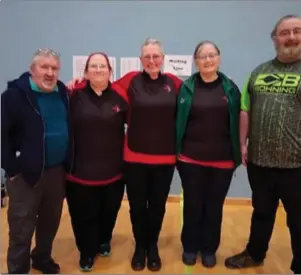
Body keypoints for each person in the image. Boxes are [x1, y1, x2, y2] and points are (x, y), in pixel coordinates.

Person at [224, 15, 301, 274]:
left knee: (300, 221)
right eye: (284, 32)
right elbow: (245, 110)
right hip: (260, 162)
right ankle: (254, 254)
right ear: (275, 38)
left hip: (299, 166)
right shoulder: (260, 72)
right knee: (261, 212)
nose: (290, 37)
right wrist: (243, 145)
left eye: (296, 31)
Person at [67, 38, 182, 272]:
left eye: (156, 56)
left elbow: (192, 101)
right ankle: (140, 247)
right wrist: (75, 85)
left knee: (158, 206)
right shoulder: (129, 81)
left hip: (165, 160)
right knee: (137, 207)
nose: (152, 60)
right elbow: (101, 86)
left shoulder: (176, 83)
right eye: (147, 56)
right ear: (141, 60)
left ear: (163, 58)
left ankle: (152, 246)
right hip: (134, 159)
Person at [1, 48, 69, 274]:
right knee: (21, 227)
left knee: (50, 222)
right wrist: (11, 168)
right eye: (44, 67)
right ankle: (18, 269)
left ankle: (41, 257)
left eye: (54, 68)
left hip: (56, 172)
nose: (50, 73)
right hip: (25, 176)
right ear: (32, 70)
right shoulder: (13, 97)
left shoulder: (61, 92)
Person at [176, 41, 241, 268]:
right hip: (190, 159)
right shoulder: (186, 88)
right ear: (196, 61)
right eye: (202, 56)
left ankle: (209, 248)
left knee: (214, 206)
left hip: (222, 160)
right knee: (193, 204)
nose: (207, 59)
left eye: (212, 55)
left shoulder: (231, 88)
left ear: (219, 58)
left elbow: (240, 121)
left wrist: (240, 152)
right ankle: (190, 247)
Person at [64, 52, 127, 272]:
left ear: (110, 71)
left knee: (109, 211)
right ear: (86, 72)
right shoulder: (72, 94)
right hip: (79, 172)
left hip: (114, 171)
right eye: (93, 66)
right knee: (83, 215)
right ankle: (86, 252)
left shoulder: (120, 96)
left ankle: (104, 240)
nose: (98, 70)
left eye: (102, 66)